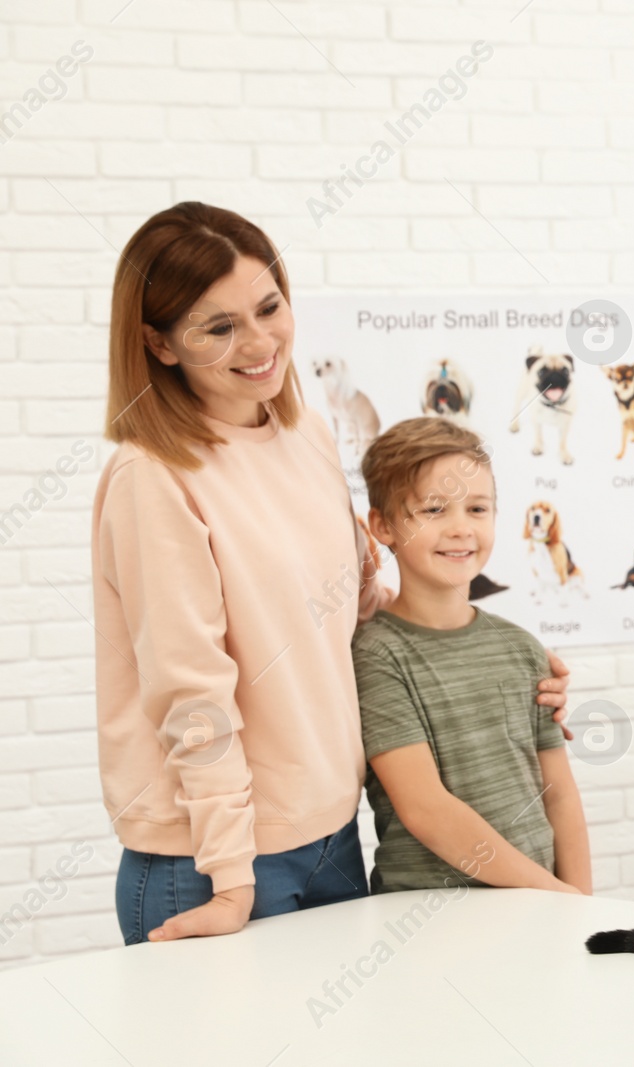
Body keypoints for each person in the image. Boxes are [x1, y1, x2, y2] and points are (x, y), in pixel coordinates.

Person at [93, 203, 573, 944]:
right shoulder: (151, 476)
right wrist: (230, 875)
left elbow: (354, 607)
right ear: (158, 343)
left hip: (333, 840)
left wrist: (507, 669)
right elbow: (190, 688)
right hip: (213, 863)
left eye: (268, 307)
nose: (258, 343)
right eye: (218, 328)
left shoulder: (306, 434)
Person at [356, 418, 592, 895]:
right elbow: (426, 808)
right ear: (382, 526)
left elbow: (560, 793)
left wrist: (582, 902)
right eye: (434, 509)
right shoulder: (376, 654)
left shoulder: (523, 649)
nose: (461, 528)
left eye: (477, 508)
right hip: (427, 915)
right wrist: (555, 894)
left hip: (541, 906)